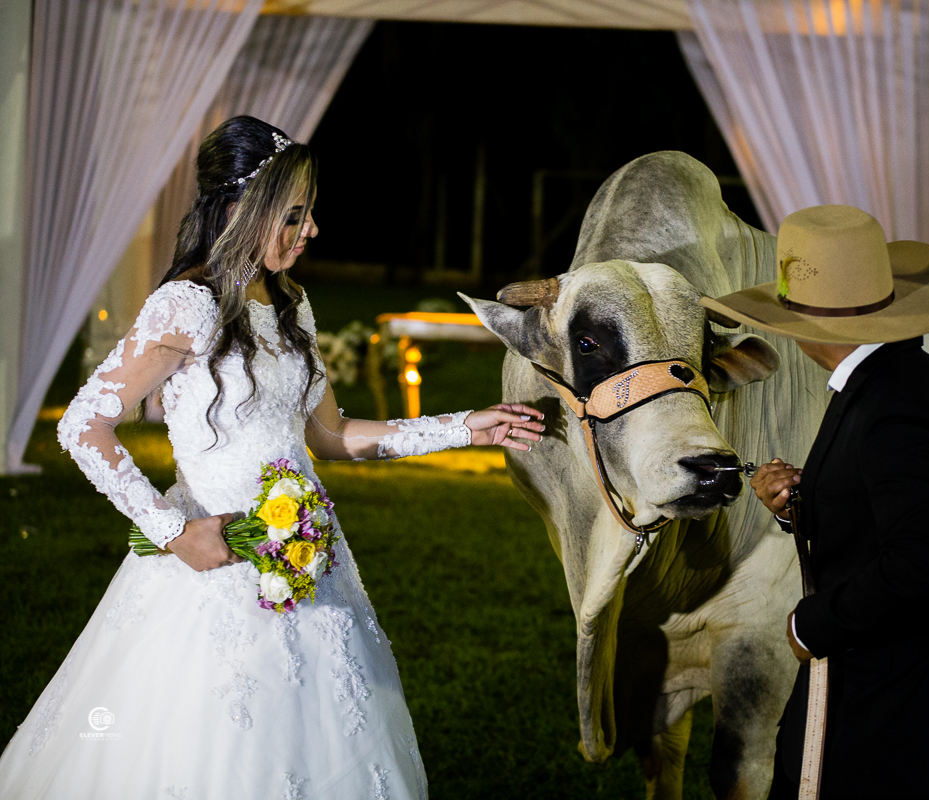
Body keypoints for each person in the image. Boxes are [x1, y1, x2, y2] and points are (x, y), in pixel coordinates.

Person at [0, 115, 544, 799]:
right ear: (239, 210)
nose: (311, 228)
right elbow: (83, 425)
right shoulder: (187, 306)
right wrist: (172, 533)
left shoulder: (291, 303)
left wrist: (465, 427)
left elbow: (331, 436)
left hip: (310, 565)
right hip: (215, 571)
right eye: (294, 214)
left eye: (310, 212)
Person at [701, 205, 929, 800]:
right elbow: (886, 512)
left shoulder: (896, 406)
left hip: (884, 701)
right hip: (876, 686)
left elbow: (924, 566)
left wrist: (812, 624)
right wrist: (801, 501)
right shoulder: (888, 380)